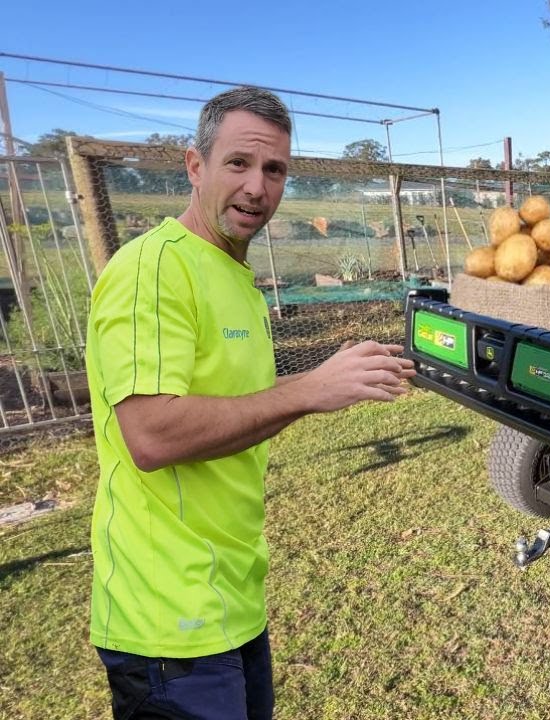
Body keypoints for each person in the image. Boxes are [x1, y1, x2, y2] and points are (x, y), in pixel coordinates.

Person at [85, 86, 415, 719]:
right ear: (195, 166)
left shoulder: (235, 277)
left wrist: (320, 392)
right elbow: (151, 436)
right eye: (238, 163)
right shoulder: (153, 267)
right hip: (167, 620)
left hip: (232, 596)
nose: (257, 187)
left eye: (274, 169)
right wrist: (309, 387)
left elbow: (242, 418)